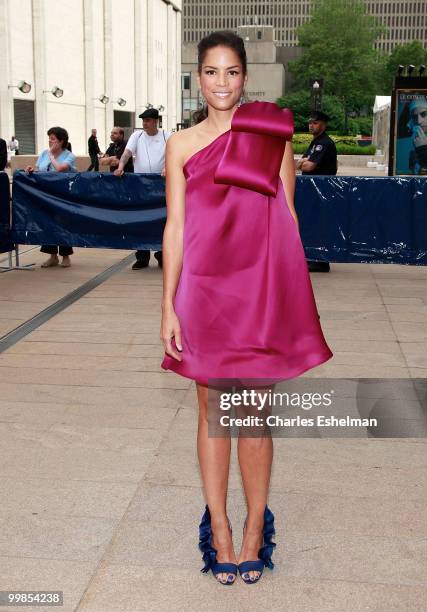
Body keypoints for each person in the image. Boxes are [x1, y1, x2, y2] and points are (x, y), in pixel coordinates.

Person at [160, 31, 332, 586]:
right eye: (211, 72)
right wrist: (169, 305)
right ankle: (220, 527)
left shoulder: (270, 132)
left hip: (259, 290)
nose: (222, 83)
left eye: (231, 72)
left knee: (253, 416)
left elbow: (286, 217)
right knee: (212, 414)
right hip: (204, 291)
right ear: (198, 78)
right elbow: (177, 227)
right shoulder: (181, 144)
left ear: (244, 78)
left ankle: (257, 526)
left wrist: (289, 299)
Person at [114, 108, 170, 269]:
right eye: (143, 121)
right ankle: (142, 257)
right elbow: (127, 153)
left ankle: (162, 255)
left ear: (156, 121)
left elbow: (174, 154)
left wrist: (167, 167)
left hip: (161, 185)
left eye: (147, 120)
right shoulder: (136, 136)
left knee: (162, 221)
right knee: (141, 219)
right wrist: (121, 166)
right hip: (141, 186)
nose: (144, 124)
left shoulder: (167, 137)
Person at [25, 127, 76, 268]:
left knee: (62, 224)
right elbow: (39, 169)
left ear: (61, 141)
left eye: (53, 139)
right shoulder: (43, 154)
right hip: (44, 194)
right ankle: (52, 256)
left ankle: (65, 256)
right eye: (49, 138)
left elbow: (60, 169)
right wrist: (31, 169)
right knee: (47, 223)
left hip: (62, 195)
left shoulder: (69, 156)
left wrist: (52, 156)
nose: (50, 141)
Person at [297, 110, 337, 273]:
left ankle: (320, 261)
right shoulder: (315, 142)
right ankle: (314, 258)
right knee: (312, 223)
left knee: (318, 224)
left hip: (321, 190)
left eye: (315, 123)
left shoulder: (324, 143)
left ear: (323, 124)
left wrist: (302, 163)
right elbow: (303, 161)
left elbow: (309, 165)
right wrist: (303, 162)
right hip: (313, 189)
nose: (311, 125)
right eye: (310, 122)